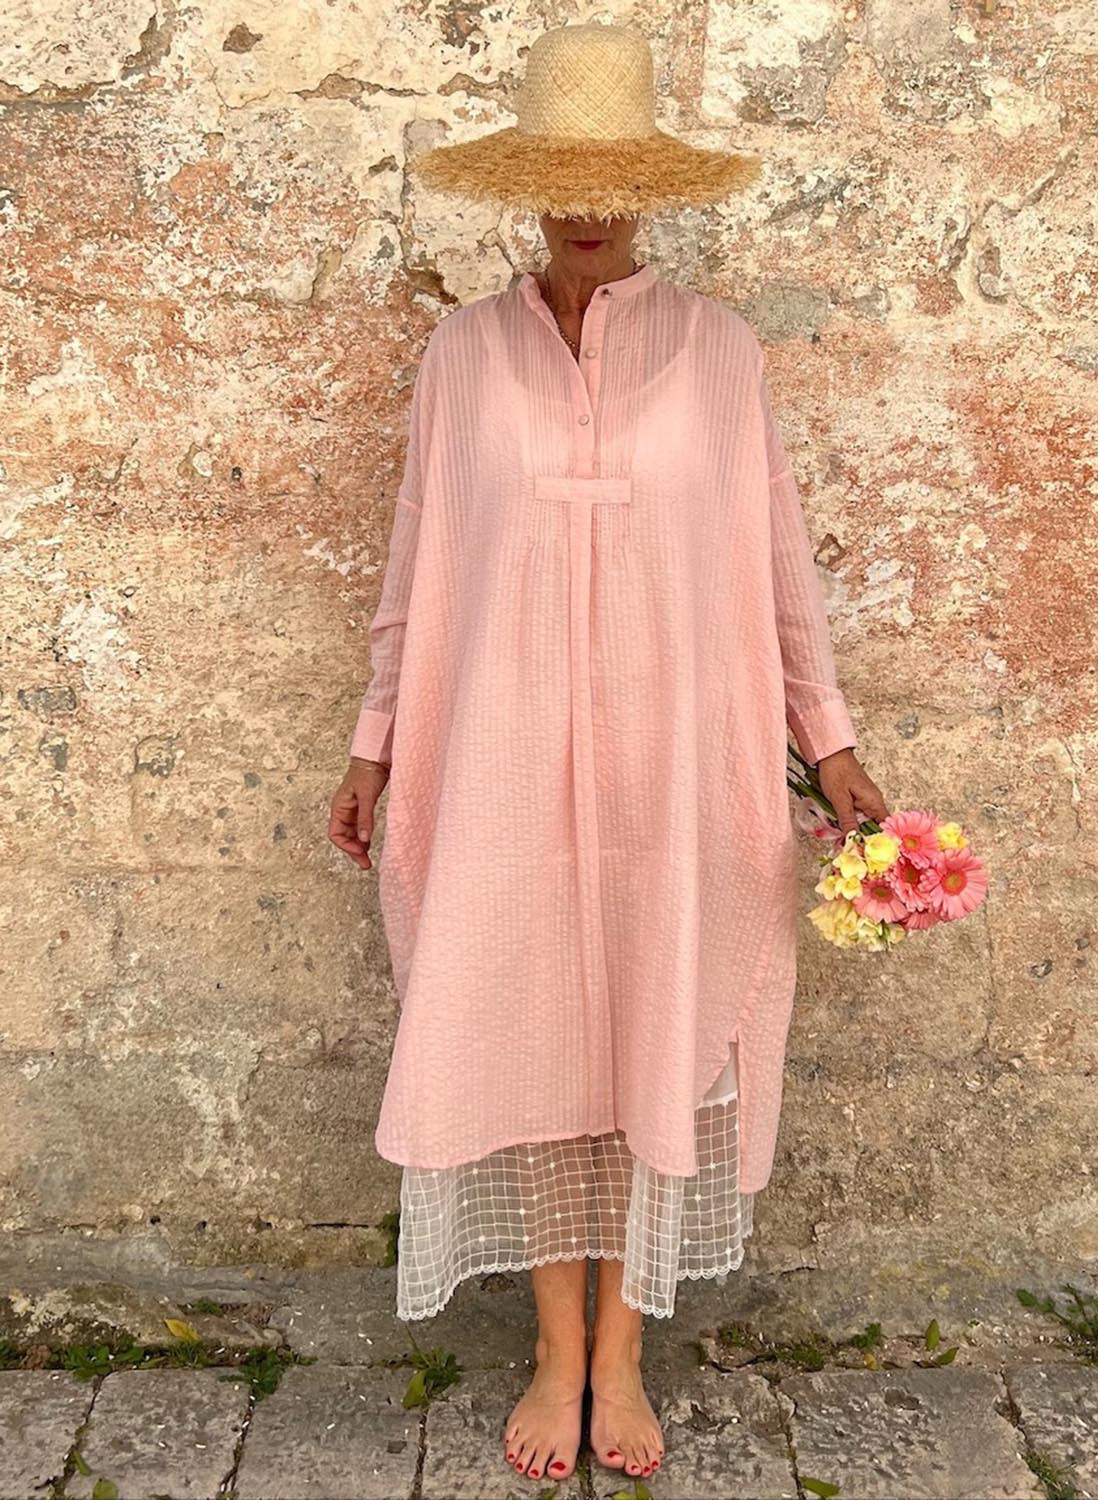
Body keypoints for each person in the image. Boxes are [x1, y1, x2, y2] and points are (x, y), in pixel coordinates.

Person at [327, 19, 888, 1487]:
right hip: (501, 755)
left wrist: (829, 743)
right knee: (526, 1029)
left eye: (613, 181)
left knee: (657, 1025)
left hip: (678, 761)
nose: (587, 206)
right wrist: (375, 742)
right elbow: (418, 562)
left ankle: (625, 1353)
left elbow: (775, 563)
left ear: (649, 193)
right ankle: (557, 1348)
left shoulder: (717, 354)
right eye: (561, 179)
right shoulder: (462, 355)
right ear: (527, 187)